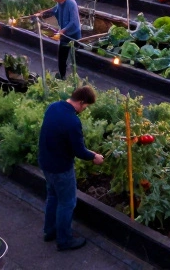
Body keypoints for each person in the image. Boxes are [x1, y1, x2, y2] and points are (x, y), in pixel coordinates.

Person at [39, 86, 105, 251]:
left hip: (45, 162)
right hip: (61, 168)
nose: (84, 110)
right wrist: (94, 157)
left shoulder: (53, 107)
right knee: (67, 203)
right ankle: (64, 240)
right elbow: (79, 151)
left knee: (53, 197)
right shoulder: (72, 121)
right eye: (85, 106)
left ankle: (50, 231)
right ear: (81, 102)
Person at [38, 0, 81, 79]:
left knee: (73, 57)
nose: (55, 1)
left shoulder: (71, 4)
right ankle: (62, 75)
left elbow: (73, 21)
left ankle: (74, 77)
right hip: (64, 34)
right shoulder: (60, 3)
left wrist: (63, 30)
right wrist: (43, 13)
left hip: (73, 34)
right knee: (62, 56)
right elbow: (54, 10)